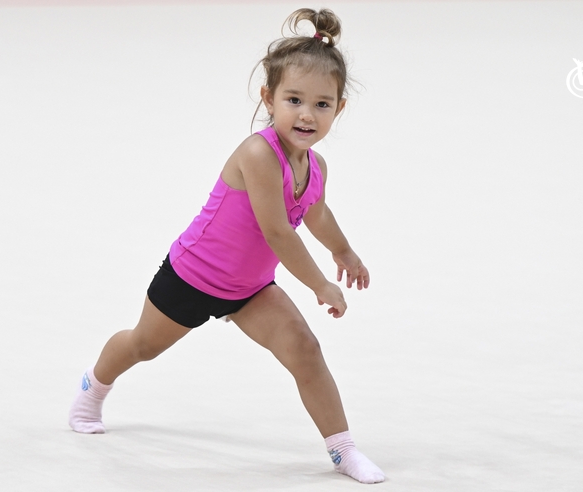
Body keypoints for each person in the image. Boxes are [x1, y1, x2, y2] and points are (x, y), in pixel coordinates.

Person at [68, 8, 385, 485]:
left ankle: (343, 451)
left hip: (251, 288)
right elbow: (278, 231)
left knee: (305, 348)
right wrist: (320, 284)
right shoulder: (258, 154)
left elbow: (315, 212)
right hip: (192, 277)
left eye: (321, 104)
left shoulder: (315, 166)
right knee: (143, 345)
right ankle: (93, 388)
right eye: (293, 99)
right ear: (269, 98)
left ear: (338, 108)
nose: (306, 114)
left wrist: (344, 252)